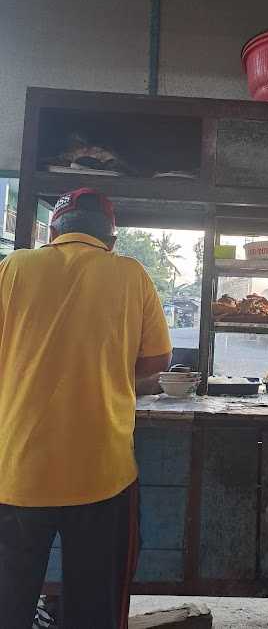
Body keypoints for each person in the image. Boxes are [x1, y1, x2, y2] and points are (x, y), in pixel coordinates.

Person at [0, 188, 172, 629]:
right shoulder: (132, 275)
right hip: (101, 474)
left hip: (17, 471)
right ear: (110, 239)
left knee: (6, 603)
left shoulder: (13, 268)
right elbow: (157, 362)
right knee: (94, 608)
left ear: (54, 231)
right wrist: (110, 376)